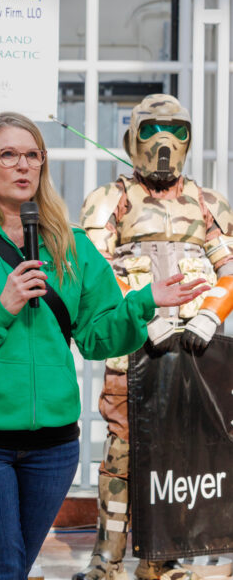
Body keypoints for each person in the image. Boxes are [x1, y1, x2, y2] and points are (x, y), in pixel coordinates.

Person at [0, 111, 209, 580]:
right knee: (5, 571)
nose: (23, 165)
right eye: (8, 154)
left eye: (33, 155)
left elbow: (96, 337)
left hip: (53, 448)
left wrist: (146, 302)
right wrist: (1, 307)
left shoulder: (73, 248)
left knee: (13, 568)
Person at [75, 94, 233, 580]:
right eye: (151, 129)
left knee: (180, 456)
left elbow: (229, 266)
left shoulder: (209, 204)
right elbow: (96, 271)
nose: (163, 140)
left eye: (176, 129)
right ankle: (108, 557)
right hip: (135, 350)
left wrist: (211, 312)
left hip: (193, 353)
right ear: (132, 135)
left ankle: (163, 557)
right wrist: (141, 317)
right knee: (123, 452)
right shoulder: (110, 200)